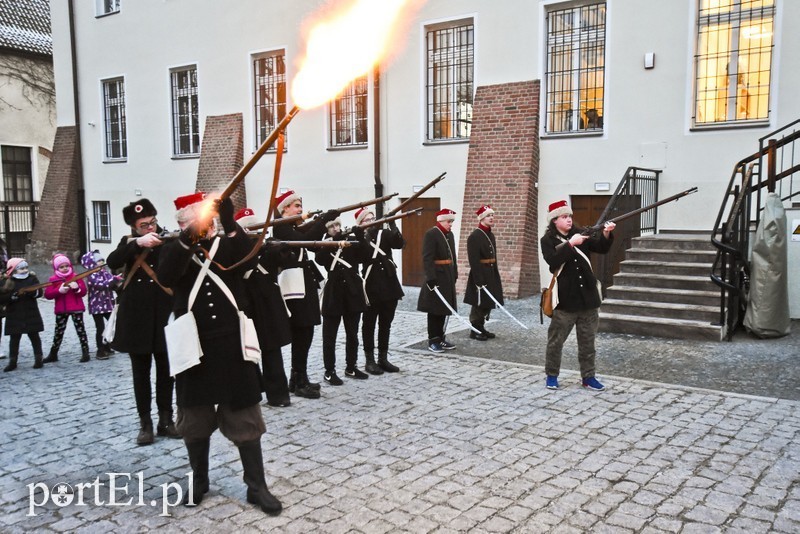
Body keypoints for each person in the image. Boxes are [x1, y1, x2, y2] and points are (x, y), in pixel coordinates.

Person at [158, 192, 281, 515]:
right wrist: (188, 239)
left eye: (206, 221)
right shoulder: (175, 250)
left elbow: (250, 259)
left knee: (245, 415)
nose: (204, 226)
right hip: (193, 346)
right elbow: (167, 275)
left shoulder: (227, 245)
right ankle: (199, 481)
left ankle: (257, 486)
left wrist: (229, 222)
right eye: (194, 222)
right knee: (194, 419)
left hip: (231, 343)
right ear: (182, 225)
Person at [107, 199, 179, 446]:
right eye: (144, 225)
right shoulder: (129, 243)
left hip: (162, 314)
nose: (150, 228)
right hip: (136, 316)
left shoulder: (167, 239)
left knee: (166, 371)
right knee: (141, 373)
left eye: (153, 222)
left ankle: (166, 420)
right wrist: (137, 243)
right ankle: (145, 423)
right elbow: (113, 261)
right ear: (134, 228)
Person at [540, 199, 615, 391]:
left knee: (588, 343)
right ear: (554, 220)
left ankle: (588, 377)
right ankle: (552, 375)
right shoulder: (547, 241)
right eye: (564, 217)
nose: (569, 220)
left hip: (588, 299)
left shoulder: (580, 234)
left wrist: (606, 233)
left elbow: (601, 248)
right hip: (565, 300)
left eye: (570, 216)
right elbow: (553, 261)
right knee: (556, 342)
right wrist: (571, 244)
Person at [271, 190, 339, 396]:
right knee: (302, 332)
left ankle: (299, 376)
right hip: (294, 288)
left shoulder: (290, 227)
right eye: (296, 206)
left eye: (300, 206)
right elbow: (307, 240)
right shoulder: (281, 227)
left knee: (306, 332)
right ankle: (298, 380)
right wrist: (323, 220)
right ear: (285, 209)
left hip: (302, 285)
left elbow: (310, 235)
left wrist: (321, 221)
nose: (300, 209)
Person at [237, 208, 293, 407]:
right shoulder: (235, 249)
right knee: (248, 351)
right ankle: (252, 391)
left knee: (272, 350)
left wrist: (278, 249)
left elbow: (286, 260)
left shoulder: (267, 247)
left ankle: (278, 394)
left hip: (268, 303)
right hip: (247, 303)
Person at [315, 216, 370, 384]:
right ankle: (329, 371)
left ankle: (351, 366)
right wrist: (332, 241)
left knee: (352, 333)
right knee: (329, 335)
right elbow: (320, 259)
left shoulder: (351, 241)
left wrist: (360, 236)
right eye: (332, 226)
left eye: (338, 225)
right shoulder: (325, 244)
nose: (336, 228)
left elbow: (364, 256)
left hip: (352, 290)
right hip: (334, 291)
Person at [358, 207, 404, 373]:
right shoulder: (359, 237)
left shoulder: (383, 234)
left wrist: (392, 223)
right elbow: (360, 256)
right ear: (361, 223)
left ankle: (383, 358)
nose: (371, 222)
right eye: (367, 220)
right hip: (371, 284)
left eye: (372, 218)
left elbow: (399, 243)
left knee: (386, 323)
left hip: (389, 283)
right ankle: (369, 360)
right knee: (369, 324)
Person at [416, 209, 459, 354]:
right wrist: (431, 278)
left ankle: (441, 337)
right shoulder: (432, 234)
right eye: (449, 221)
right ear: (440, 221)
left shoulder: (450, 235)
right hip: (437, 276)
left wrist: (455, 272)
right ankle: (433, 340)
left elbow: (452, 255)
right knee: (435, 310)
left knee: (444, 309)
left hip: (447, 276)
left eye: (452, 222)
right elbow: (427, 257)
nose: (450, 224)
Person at [464, 205, 504, 341]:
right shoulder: (475, 236)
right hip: (480, 274)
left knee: (488, 302)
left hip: (491, 272)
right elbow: (474, 260)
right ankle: (475, 329)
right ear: (481, 218)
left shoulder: (490, 234)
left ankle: (481, 328)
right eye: (488, 215)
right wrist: (479, 280)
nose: (491, 217)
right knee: (479, 303)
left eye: (492, 215)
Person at [43, 254, 90, 363]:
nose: (65, 268)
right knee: (58, 332)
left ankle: (85, 352)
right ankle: (53, 353)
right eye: (61, 267)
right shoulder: (53, 279)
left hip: (76, 308)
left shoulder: (76, 277)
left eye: (66, 266)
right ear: (56, 268)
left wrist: (77, 288)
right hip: (61, 309)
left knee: (81, 330)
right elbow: (48, 295)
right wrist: (58, 291)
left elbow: (83, 292)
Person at [0, 259, 44, 371]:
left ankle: (39, 358)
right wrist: (11, 297)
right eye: (21, 268)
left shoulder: (32, 278)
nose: (25, 270)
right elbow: (2, 298)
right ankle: (13, 361)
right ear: (14, 270)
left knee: (34, 336)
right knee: (14, 338)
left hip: (31, 312)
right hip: (14, 313)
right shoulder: (8, 281)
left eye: (26, 268)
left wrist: (32, 292)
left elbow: (39, 293)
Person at [80, 250, 122, 360]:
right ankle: (100, 350)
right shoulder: (91, 275)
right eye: (99, 261)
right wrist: (114, 279)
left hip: (108, 304)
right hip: (97, 306)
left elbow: (111, 284)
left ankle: (108, 346)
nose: (102, 262)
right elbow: (101, 285)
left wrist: (117, 282)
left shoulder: (105, 272)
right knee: (100, 328)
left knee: (111, 325)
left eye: (102, 260)